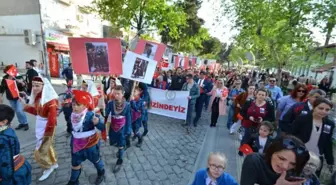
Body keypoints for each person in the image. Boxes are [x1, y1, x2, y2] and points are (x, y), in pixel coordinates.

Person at [21, 76, 58, 181]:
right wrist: (25, 105)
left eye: (37, 85)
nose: (35, 88)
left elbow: (51, 120)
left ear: (44, 86)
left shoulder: (51, 101)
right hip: (40, 124)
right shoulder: (38, 97)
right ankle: (53, 163)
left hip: (47, 127)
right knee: (48, 147)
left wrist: (47, 135)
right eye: (33, 85)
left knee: (41, 150)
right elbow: (38, 112)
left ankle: (48, 167)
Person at [66, 90, 105, 185]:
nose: (74, 107)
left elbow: (103, 127)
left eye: (78, 105)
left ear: (85, 105)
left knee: (96, 160)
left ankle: (101, 172)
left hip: (90, 145)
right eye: (73, 104)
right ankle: (74, 181)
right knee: (75, 163)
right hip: (76, 144)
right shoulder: (73, 115)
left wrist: (98, 123)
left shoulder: (91, 115)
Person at [290, 97, 334, 177]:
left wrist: (330, 161)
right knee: (294, 176)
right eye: (321, 108)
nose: (323, 111)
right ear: (314, 107)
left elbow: (328, 143)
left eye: (327, 110)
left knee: (311, 179)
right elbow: (291, 136)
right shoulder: (302, 119)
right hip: (300, 154)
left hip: (316, 157)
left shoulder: (329, 124)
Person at [240, 135, 310, 185]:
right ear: (272, 152)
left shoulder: (293, 172)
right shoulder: (254, 161)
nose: (285, 166)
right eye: (281, 158)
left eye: (293, 164)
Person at [0, 104, 32, 185]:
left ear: (4, 122)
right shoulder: (7, 129)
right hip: (18, 167)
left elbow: (5, 162)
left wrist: (5, 180)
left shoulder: (2, 139)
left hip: (14, 174)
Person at [239, 88, 275, 155]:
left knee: (255, 142)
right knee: (245, 139)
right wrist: (249, 117)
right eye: (259, 94)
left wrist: (263, 120)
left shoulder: (269, 105)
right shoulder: (249, 101)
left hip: (260, 127)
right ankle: (242, 152)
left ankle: (253, 154)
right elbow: (242, 112)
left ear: (266, 96)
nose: (261, 96)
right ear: (256, 94)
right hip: (247, 124)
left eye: (263, 95)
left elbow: (272, 118)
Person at [105, 85, 131, 173]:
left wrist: (128, 130)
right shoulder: (110, 103)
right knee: (114, 142)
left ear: (122, 94)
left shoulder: (127, 105)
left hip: (122, 128)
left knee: (120, 144)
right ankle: (121, 148)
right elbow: (105, 113)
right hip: (113, 127)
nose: (116, 95)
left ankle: (120, 160)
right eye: (115, 93)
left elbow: (128, 117)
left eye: (118, 94)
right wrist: (102, 107)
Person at [0, 65, 29, 131]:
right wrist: (1, 96)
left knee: (19, 110)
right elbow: (2, 88)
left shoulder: (18, 76)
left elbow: (24, 85)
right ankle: (21, 123)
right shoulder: (5, 78)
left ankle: (25, 123)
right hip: (10, 97)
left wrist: (22, 83)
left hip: (19, 96)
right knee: (16, 111)